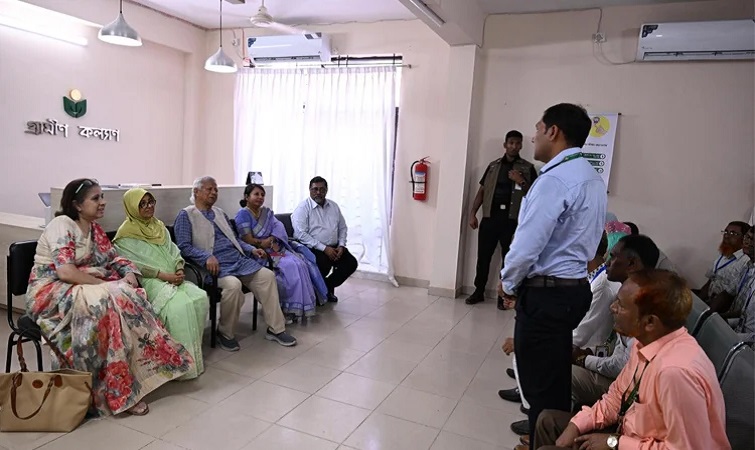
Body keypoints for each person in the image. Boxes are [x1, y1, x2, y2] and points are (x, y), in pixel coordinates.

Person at [26, 179, 193, 416]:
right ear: (77, 204)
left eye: (102, 196)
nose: (102, 202)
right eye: (96, 198)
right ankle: (113, 391)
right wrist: (107, 285)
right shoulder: (61, 225)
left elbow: (113, 258)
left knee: (129, 295)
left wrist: (129, 272)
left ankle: (131, 379)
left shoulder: (94, 229)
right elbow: (66, 272)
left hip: (84, 284)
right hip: (53, 291)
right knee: (112, 301)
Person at [499, 103, 607, 447]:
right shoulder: (591, 176)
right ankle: (549, 440)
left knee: (539, 389)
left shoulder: (554, 180)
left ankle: (540, 441)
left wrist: (508, 282)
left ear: (553, 131)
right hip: (572, 290)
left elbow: (527, 245)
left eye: (538, 129)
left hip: (546, 296)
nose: (533, 136)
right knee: (555, 381)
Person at [532, 270, 730, 450]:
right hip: (629, 433)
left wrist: (614, 443)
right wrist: (577, 424)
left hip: (633, 442)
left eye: (621, 305)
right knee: (548, 421)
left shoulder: (676, 373)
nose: (612, 308)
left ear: (650, 322)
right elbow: (617, 396)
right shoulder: (643, 342)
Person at [501, 232, 620, 441]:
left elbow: (579, 334)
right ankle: (534, 408)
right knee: (528, 340)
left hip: (587, 350)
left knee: (529, 348)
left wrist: (533, 338)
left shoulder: (601, 285)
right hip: (581, 345)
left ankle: (537, 418)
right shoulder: (591, 276)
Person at [174, 176, 296, 351]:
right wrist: (205, 257)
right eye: (209, 189)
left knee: (267, 276)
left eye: (216, 189)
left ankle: (276, 329)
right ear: (196, 192)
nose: (214, 192)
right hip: (211, 267)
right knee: (233, 285)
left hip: (237, 260)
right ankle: (225, 333)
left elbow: (235, 239)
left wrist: (251, 249)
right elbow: (183, 247)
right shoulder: (186, 215)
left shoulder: (220, 213)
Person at [113, 188, 209, 380]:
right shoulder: (125, 235)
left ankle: (193, 357)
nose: (148, 207)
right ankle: (176, 364)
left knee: (200, 297)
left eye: (151, 202)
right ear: (132, 207)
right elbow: (136, 265)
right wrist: (165, 276)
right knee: (179, 306)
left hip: (173, 276)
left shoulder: (159, 226)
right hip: (150, 281)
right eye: (142, 204)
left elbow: (174, 251)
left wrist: (179, 268)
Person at [570, 234, 661, 408]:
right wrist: (589, 354)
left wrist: (583, 359)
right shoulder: (629, 290)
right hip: (622, 375)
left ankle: (554, 419)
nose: (606, 263)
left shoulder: (642, 303)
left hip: (632, 389)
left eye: (613, 257)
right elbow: (619, 349)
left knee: (561, 371)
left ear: (632, 264)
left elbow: (623, 366)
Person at [235, 184, 328, 322]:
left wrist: (272, 239)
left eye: (262, 195)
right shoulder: (242, 214)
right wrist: (262, 243)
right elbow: (245, 239)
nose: (260, 197)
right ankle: (285, 308)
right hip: (258, 253)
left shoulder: (267, 213)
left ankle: (297, 308)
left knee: (300, 263)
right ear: (246, 197)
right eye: (256, 194)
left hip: (274, 248)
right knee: (289, 266)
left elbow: (279, 227)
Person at [467, 130, 538, 309]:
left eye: (517, 143)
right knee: (483, 257)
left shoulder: (527, 168)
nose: (514, 146)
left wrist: (521, 180)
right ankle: (478, 291)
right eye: (511, 143)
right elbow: (482, 190)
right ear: (505, 145)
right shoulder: (493, 166)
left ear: (521, 146)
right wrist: (472, 213)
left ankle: (503, 295)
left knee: (509, 260)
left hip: (512, 221)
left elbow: (536, 194)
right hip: (490, 218)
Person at [292, 176, 358, 302]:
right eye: (315, 189)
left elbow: (342, 228)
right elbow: (301, 234)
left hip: (334, 247)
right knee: (323, 263)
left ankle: (325, 288)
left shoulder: (333, 206)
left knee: (351, 263)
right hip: (312, 247)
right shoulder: (303, 208)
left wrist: (341, 245)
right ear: (310, 190)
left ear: (326, 190)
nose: (318, 192)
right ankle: (319, 292)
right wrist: (324, 248)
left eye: (322, 189)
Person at [698, 221, 750, 301]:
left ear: (744, 238)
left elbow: (729, 296)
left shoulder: (746, 262)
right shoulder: (724, 254)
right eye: (726, 232)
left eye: (733, 233)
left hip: (722, 306)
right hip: (709, 300)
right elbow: (710, 281)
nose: (726, 236)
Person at [733, 226, 754, 343]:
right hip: (740, 334)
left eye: (752, 239)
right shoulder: (748, 267)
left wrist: (734, 338)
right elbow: (747, 315)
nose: (746, 241)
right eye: (747, 237)